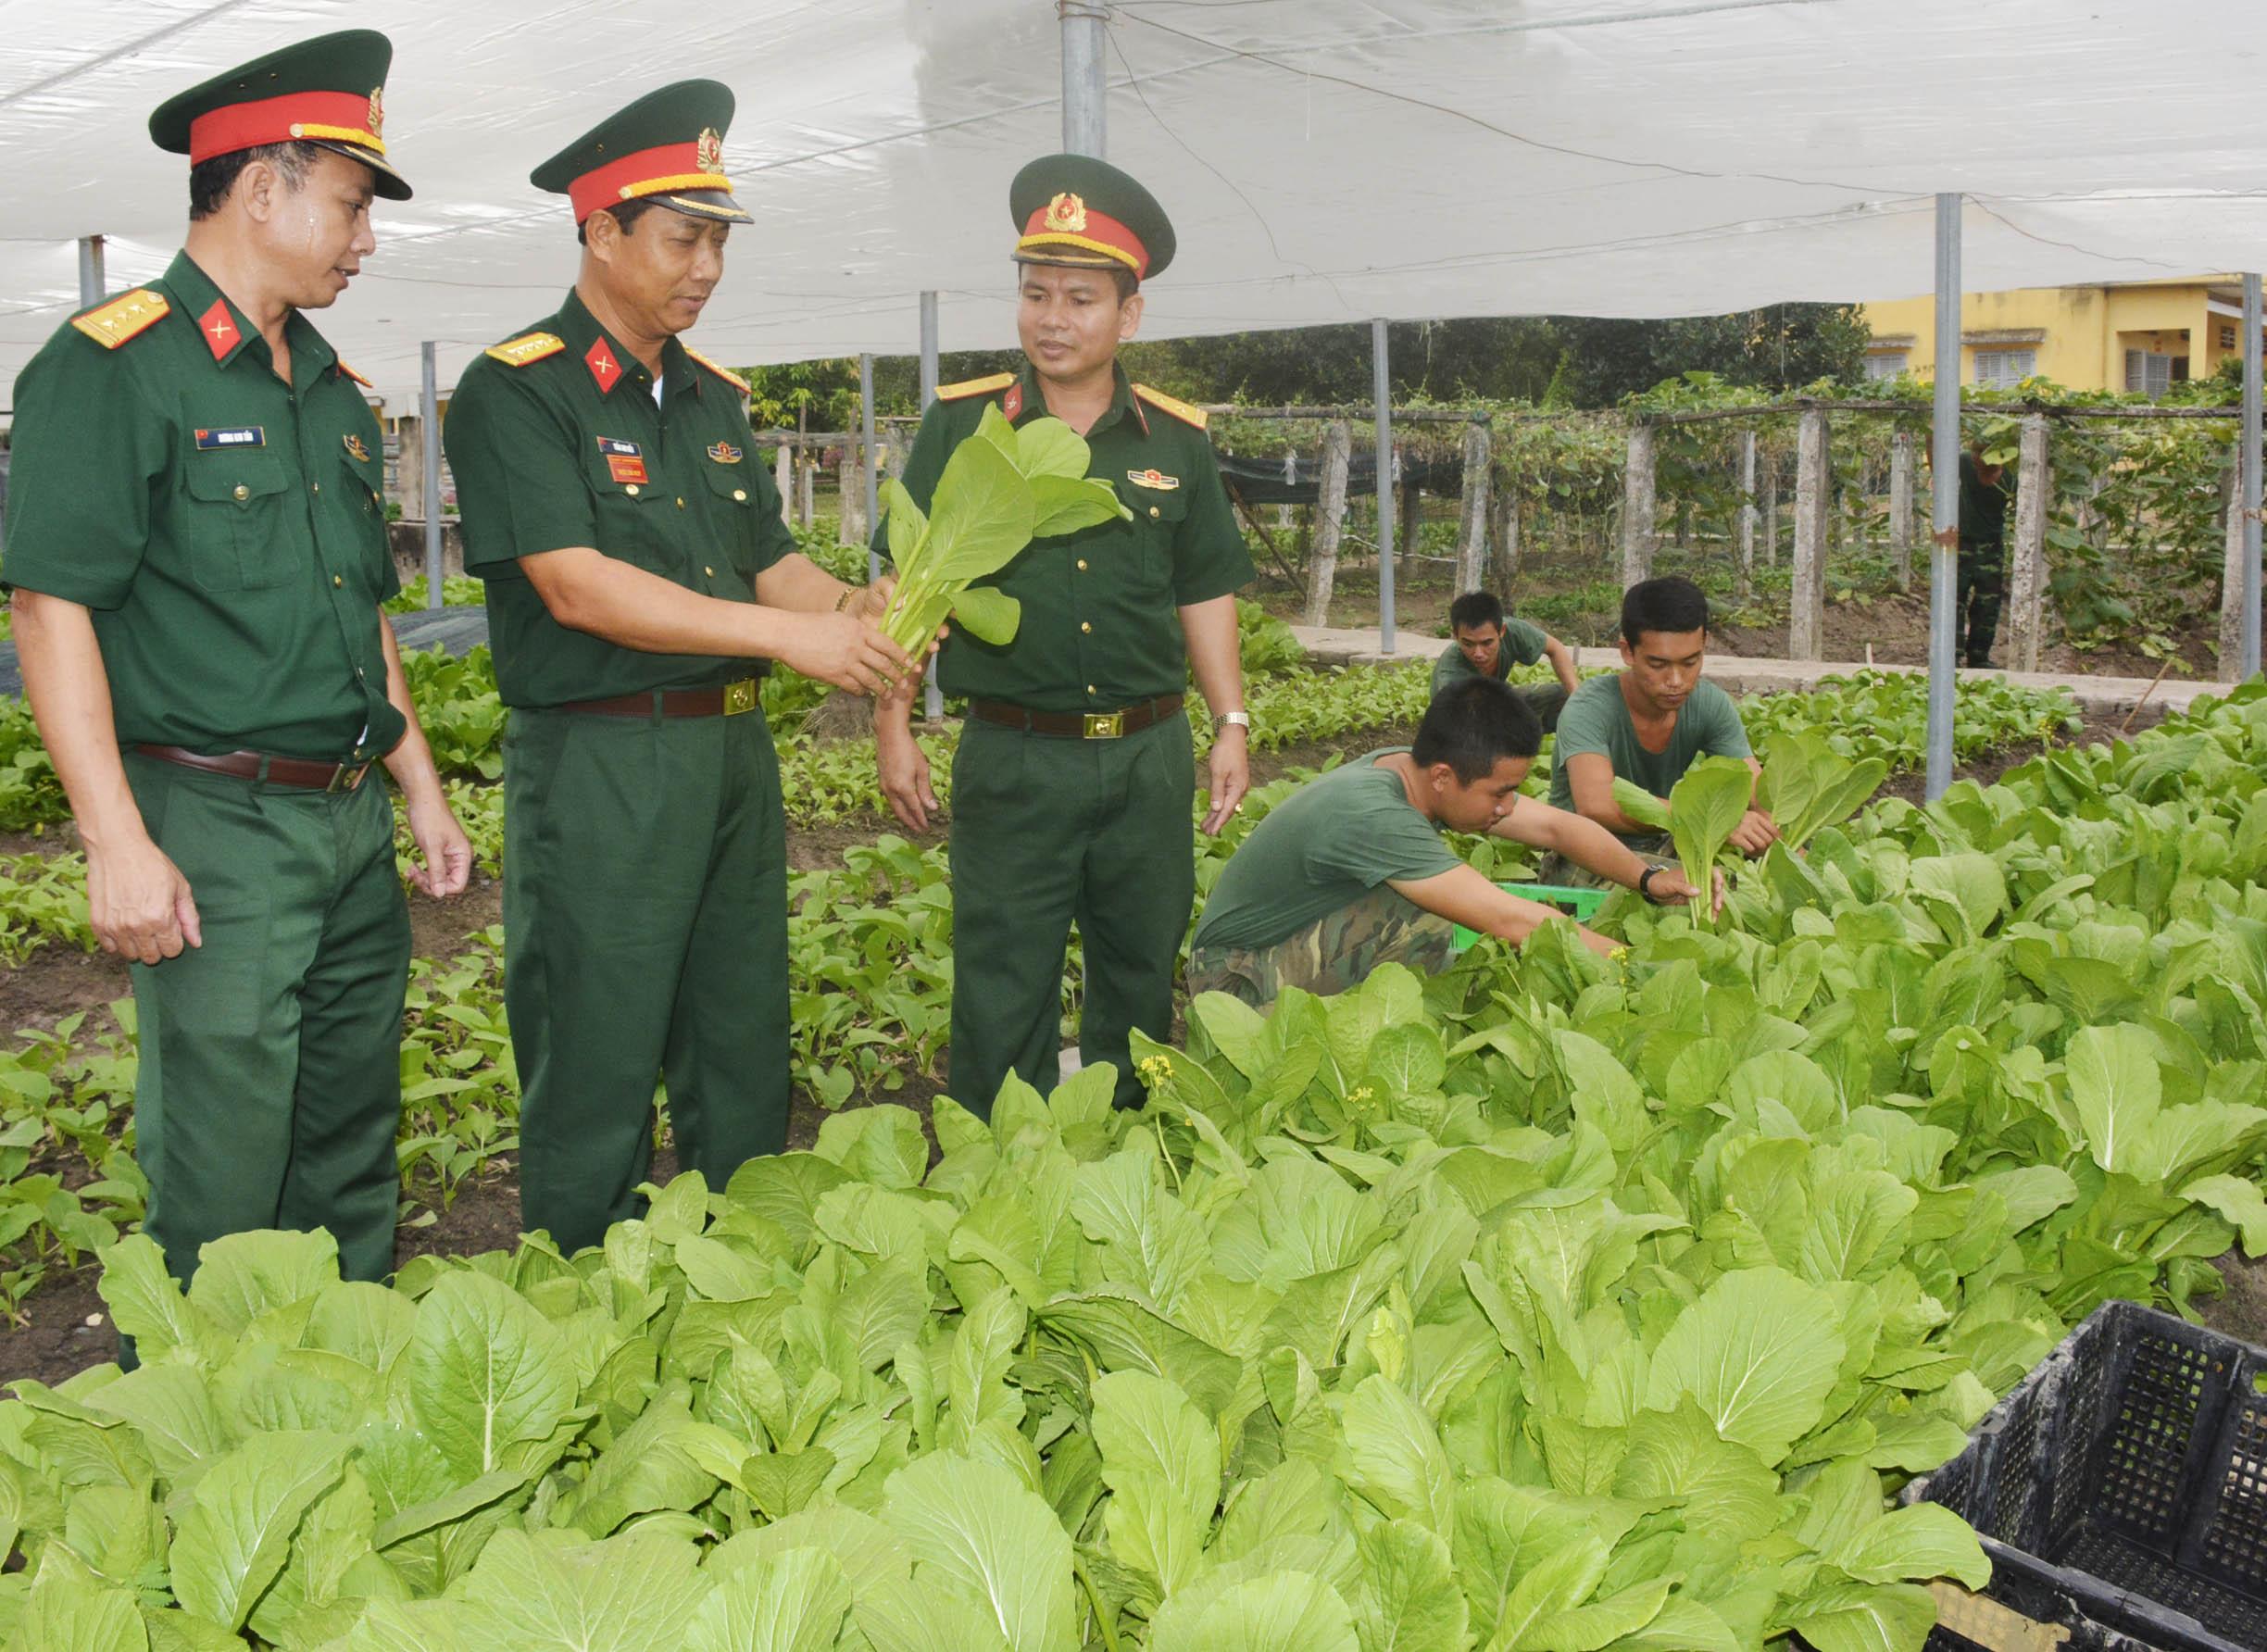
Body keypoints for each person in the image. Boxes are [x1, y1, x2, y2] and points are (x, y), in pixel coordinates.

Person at [2, 31, 471, 1300]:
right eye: (354, 203)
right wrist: (114, 841)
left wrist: (418, 780)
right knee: (223, 1166)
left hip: (346, 817)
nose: (366, 238)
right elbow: (51, 612)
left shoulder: (328, 390)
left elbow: (365, 609)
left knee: (348, 1143)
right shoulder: (115, 368)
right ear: (262, 188)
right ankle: (208, 1438)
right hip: (216, 822)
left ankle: (352, 1394)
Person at [443, 81, 912, 1254]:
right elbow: (575, 583)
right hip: (605, 759)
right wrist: (791, 639)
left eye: (717, 241)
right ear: (601, 233)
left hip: (725, 755)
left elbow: (770, 564)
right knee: (597, 1044)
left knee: (740, 1031)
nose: (705, 267)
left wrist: (855, 607)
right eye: (682, 238)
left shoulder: (711, 398)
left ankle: (739, 1270)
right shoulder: (519, 390)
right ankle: (576, 1288)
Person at [874, 153, 1254, 1114]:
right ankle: (998, 1177)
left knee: (1139, 973)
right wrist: (892, 725)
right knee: (1002, 981)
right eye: (1036, 293)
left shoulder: (1176, 441)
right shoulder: (963, 427)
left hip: (1149, 755)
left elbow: (1204, 588)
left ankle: (1127, 1154)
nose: (1053, 317)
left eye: (1080, 298)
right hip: (1015, 751)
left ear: (1128, 315)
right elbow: (904, 585)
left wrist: (1232, 722)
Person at [1187, 678, 1709, 1004]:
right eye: (1501, 792)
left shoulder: (1414, 770)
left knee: (1428, 899)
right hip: (1234, 977)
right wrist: (1634, 968)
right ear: (1443, 776)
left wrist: (1650, 879)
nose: (1507, 806)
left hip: (1279, 945)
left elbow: (1558, 827)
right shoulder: (1376, 816)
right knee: (1431, 915)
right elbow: (1508, 918)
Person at [1547, 575, 1774, 872]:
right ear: (1628, 651)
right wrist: (1710, 818)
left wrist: (1787, 848)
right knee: (1697, 894)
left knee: (1735, 886)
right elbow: (1596, 804)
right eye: (1658, 665)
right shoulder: (1589, 707)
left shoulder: (1710, 704)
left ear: (1704, 644)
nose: (1676, 681)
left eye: (1690, 662)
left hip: (1666, 843)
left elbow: (1757, 791)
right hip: (1585, 853)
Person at [1430, 589, 1581, 731]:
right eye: (1468, 644)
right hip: (1464, 722)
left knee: (1565, 696)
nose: (1478, 653)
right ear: (1455, 636)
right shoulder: (1450, 676)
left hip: (1497, 704)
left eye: (1487, 643)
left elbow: (1555, 648)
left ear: (1501, 631)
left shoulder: (1513, 631)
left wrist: (1577, 701)